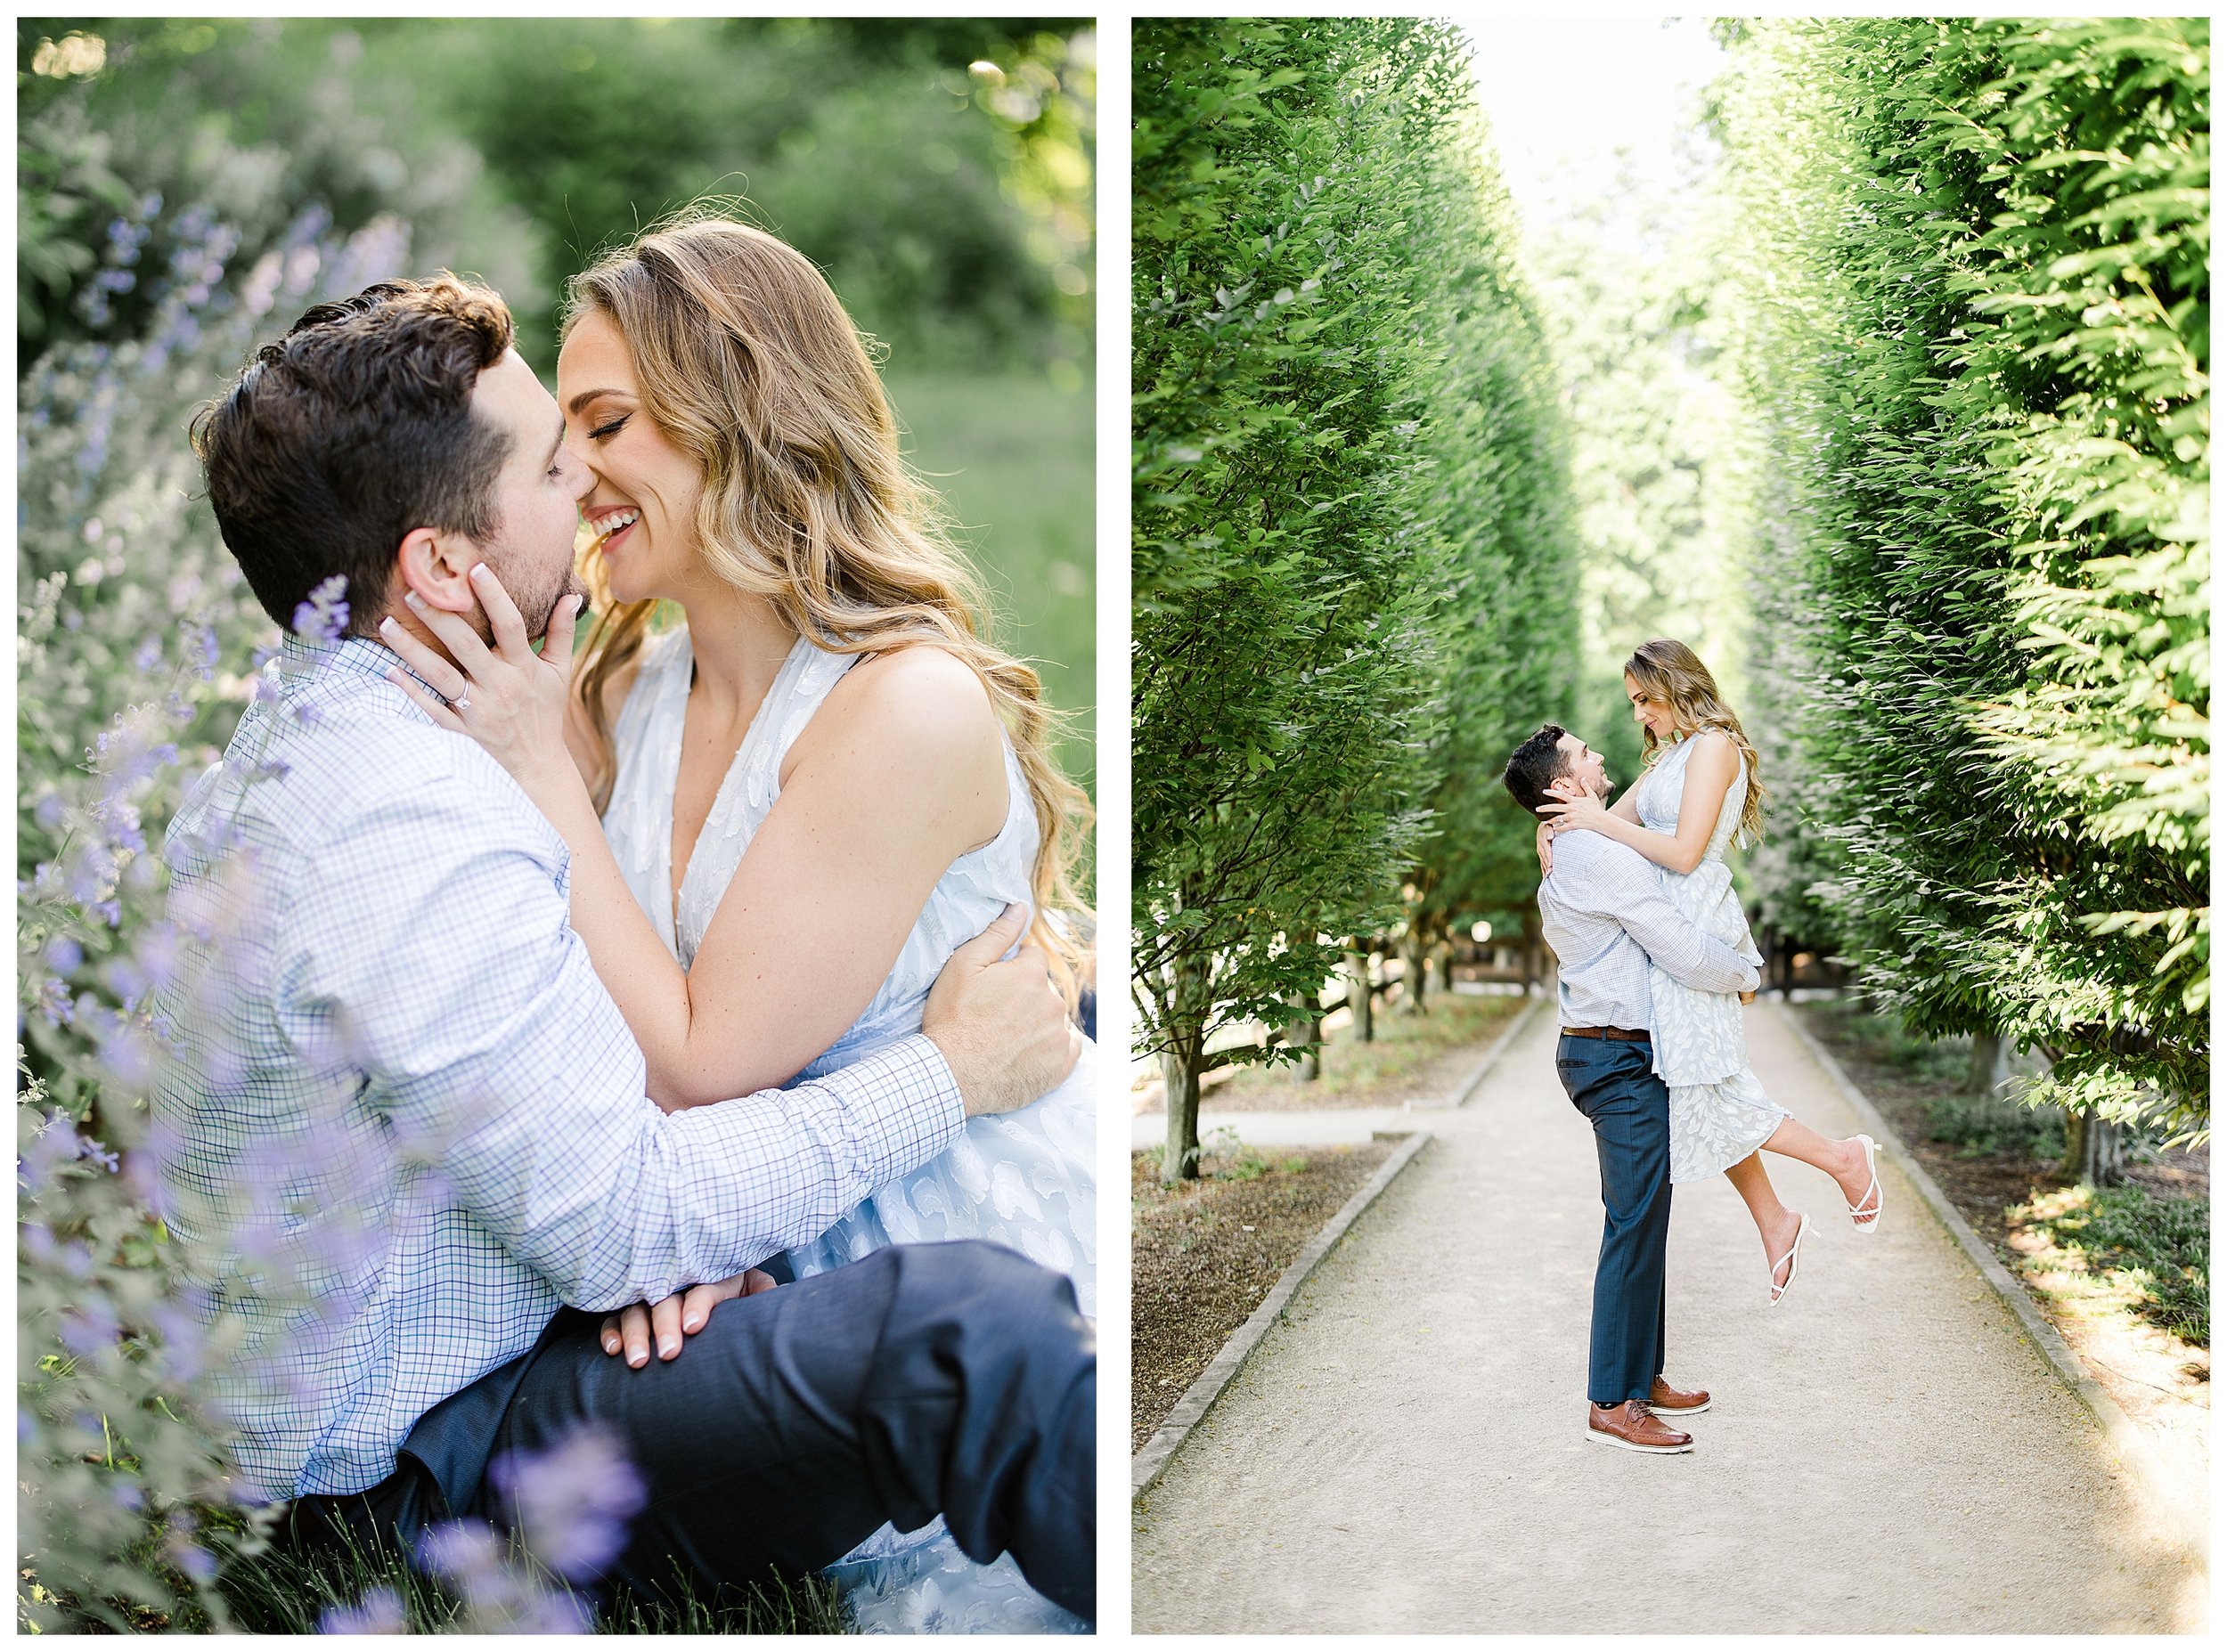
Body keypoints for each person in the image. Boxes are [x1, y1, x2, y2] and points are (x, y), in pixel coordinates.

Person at [159, 273, 1094, 1623]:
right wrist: (941, 1074)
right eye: (558, 449)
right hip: (419, 1439)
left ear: (738, 429)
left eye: (603, 426)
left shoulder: (445, 727)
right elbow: (640, 1164)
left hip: (723, 1245)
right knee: (973, 1335)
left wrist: (641, 1234)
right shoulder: (496, 761)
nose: (584, 475)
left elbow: (584, 1090)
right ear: (437, 563)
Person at [1535, 640, 1882, 1303]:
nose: (1640, 715)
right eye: (1633, 703)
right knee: (1699, 1089)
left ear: (1675, 684)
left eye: (1646, 699)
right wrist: (1554, 825)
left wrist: (1591, 823)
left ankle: (1842, 1158)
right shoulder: (1671, 754)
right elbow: (1610, 822)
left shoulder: (1715, 746)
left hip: (1692, 923)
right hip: (1666, 932)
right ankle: (1777, 1219)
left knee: (1709, 1083)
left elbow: (1687, 852)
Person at [1504, 723, 1766, 1454]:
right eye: (1584, 753)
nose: (1599, 755)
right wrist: (1744, 974)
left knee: (1646, 1214)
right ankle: (1611, 1402)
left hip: (1613, 1051)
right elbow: (1675, 943)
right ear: (1563, 785)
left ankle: (1641, 1373)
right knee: (1631, 1221)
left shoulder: (1583, 842)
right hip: (1614, 1057)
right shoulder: (1592, 852)